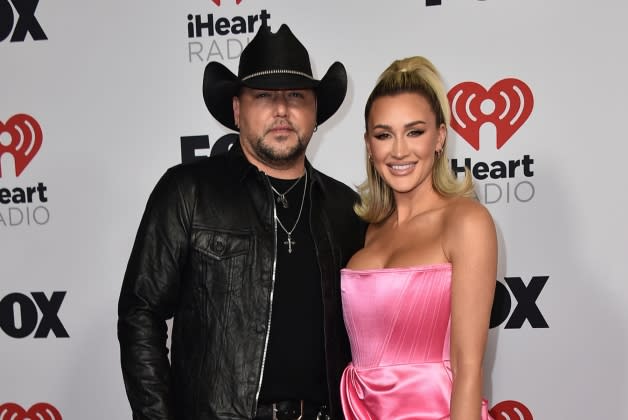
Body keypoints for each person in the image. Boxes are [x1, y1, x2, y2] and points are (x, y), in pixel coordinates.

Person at [117, 23, 365, 420]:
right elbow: (140, 313)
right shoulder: (189, 192)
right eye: (264, 96)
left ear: (315, 111)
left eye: (296, 96)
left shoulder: (345, 208)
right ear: (237, 109)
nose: (282, 110)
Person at [339, 56, 497, 419]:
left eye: (415, 132)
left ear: (440, 137)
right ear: (368, 144)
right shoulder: (368, 230)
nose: (398, 151)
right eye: (383, 134)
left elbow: (468, 367)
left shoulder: (465, 222)